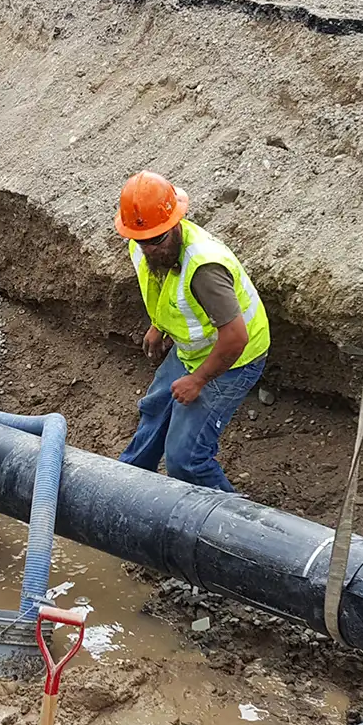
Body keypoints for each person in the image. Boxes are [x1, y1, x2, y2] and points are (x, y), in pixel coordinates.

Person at [111, 172, 271, 492]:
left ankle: (233, 528)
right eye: (142, 241)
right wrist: (158, 326)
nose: (149, 249)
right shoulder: (145, 243)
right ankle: (123, 485)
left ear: (176, 223)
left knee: (186, 458)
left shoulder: (204, 270)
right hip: (192, 349)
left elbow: (236, 337)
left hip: (235, 356)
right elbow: (167, 288)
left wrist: (198, 380)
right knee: (156, 409)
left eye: (158, 240)